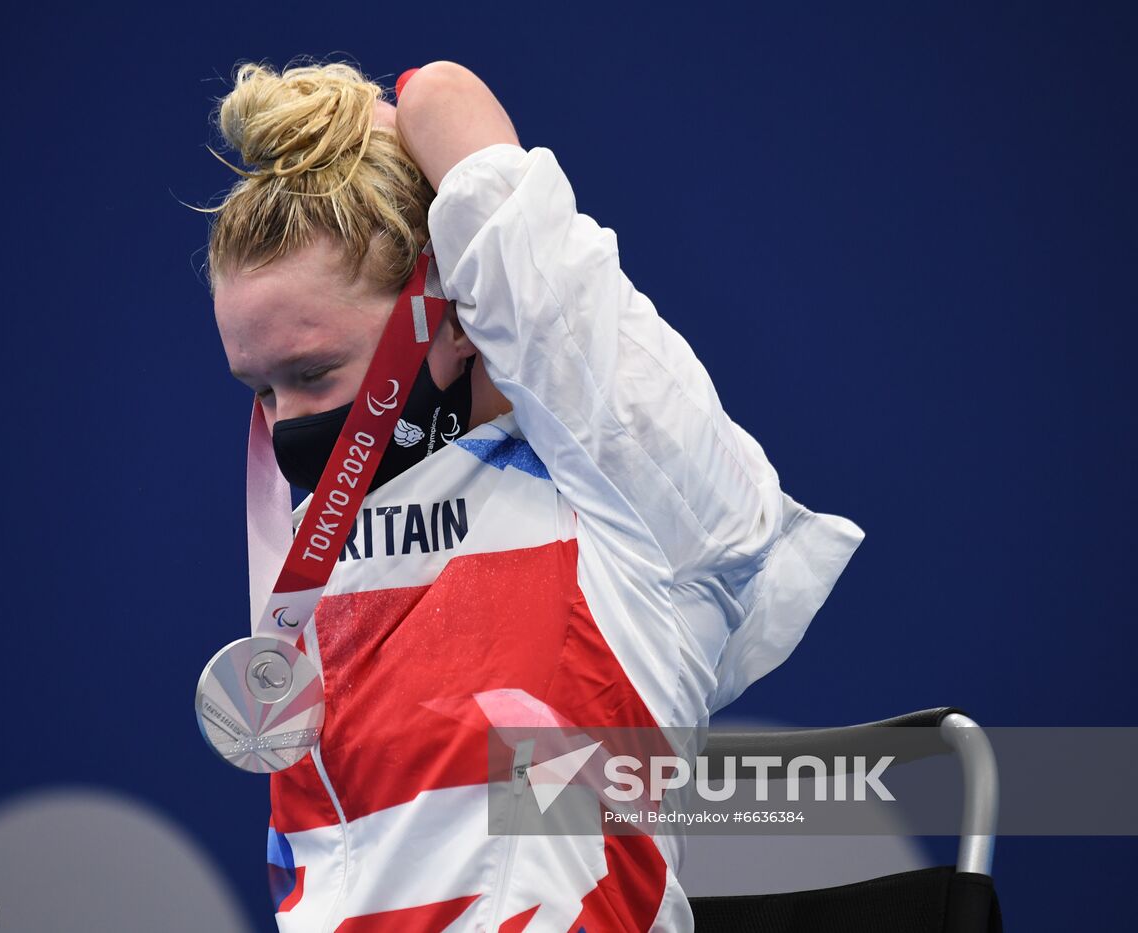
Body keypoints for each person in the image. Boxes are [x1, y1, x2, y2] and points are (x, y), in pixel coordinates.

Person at [202, 59, 864, 932]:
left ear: (453, 312)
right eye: (260, 391)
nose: (288, 426)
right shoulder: (311, 577)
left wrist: (366, 121)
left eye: (315, 373)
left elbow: (449, 109)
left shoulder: (634, 505)